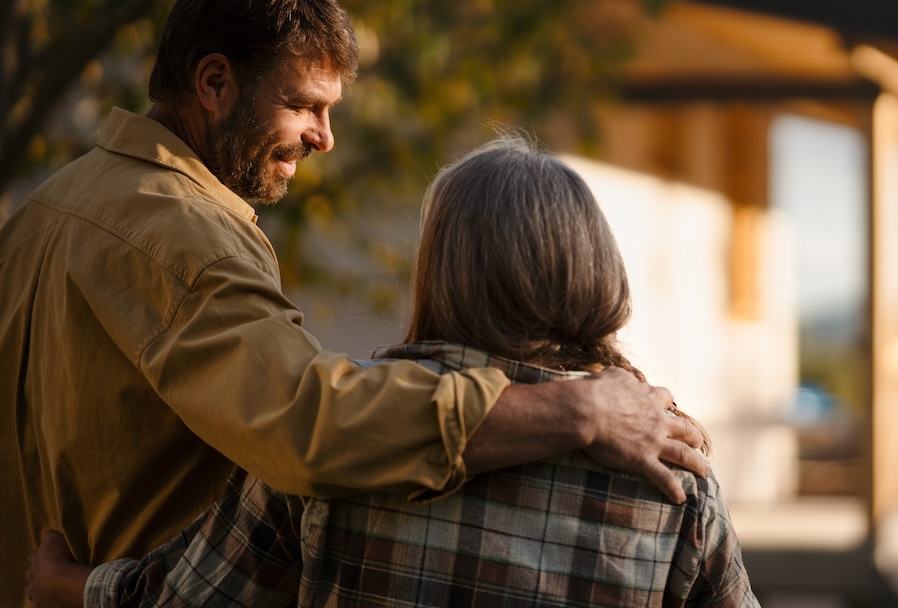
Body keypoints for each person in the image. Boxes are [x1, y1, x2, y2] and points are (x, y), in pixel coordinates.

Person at [0, 0, 708, 602]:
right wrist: (580, 411)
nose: (324, 137)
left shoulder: (47, 209)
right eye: (304, 104)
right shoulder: (185, 238)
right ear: (213, 82)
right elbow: (313, 427)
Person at [26, 134, 759, 607]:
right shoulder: (670, 474)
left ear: (440, 269)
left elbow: (187, 600)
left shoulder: (350, 444)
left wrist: (72, 588)